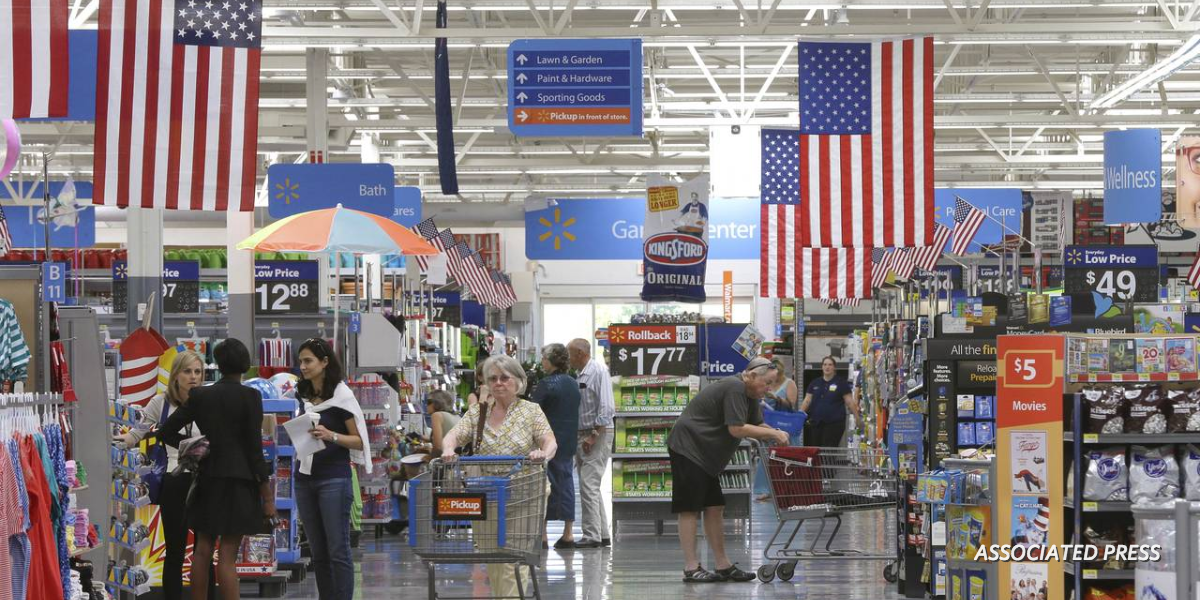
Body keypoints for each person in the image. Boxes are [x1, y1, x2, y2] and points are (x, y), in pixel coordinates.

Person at [157, 339, 273, 600]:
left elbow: (166, 431)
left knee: (203, 549)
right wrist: (267, 496)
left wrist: (196, 448)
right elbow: (255, 450)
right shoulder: (251, 396)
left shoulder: (201, 396)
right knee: (228, 555)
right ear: (244, 364)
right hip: (241, 481)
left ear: (218, 365)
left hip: (207, 478)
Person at [442, 355, 557, 598]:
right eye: (492, 378)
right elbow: (453, 435)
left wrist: (542, 453)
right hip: (487, 493)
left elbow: (549, 441)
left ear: (519, 381)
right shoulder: (478, 413)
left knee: (513, 557)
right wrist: (448, 449)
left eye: (505, 378)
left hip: (525, 493)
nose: (498, 383)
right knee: (492, 555)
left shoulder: (531, 411)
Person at [666, 357, 789, 583]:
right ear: (752, 376)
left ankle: (723, 565)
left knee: (715, 506)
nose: (769, 389)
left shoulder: (751, 394)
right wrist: (773, 434)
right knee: (689, 508)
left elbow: (756, 424)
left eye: (772, 384)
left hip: (706, 455)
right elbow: (737, 429)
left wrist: (775, 432)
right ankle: (691, 567)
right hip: (689, 447)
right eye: (767, 383)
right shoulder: (735, 387)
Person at [115, 350, 213, 600]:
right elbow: (136, 433)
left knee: (205, 549)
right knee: (175, 550)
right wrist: (114, 442)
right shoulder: (160, 403)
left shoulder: (209, 401)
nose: (193, 377)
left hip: (206, 479)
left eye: (198, 371)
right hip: (174, 478)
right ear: (176, 375)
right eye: (187, 371)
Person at [294, 337, 371, 600]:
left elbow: (359, 441)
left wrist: (331, 435)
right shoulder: (301, 394)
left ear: (324, 362)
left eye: (308, 361)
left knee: (338, 550)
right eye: (301, 361)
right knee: (318, 551)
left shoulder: (341, 397)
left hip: (334, 479)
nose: (303, 366)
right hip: (304, 477)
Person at [531, 343, 580, 549]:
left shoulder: (546, 384)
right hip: (568, 440)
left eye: (544, 358)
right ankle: (568, 533)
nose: (542, 362)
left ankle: (542, 535)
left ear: (551, 361)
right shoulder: (573, 383)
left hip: (547, 442)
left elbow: (533, 411)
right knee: (566, 483)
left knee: (544, 485)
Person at [567, 338, 614, 549]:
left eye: (569, 353)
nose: (568, 358)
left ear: (579, 353)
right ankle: (602, 534)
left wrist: (594, 435)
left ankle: (591, 536)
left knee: (588, 484)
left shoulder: (598, 372)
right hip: (583, 434)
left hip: (597, 434)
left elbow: (607, 407)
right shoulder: (580, 374)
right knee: (590, 485)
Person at [754, 358, 800, 501]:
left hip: (785, 425)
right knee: (766, 456)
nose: (775, 377)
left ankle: (791, 487)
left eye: (778, 374)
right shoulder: (766, 383)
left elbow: (791, 405)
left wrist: (775, 398)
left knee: (787, 457)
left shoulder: (789, 383)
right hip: (769, 424)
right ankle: (764, 489)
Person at [799, 356, 861, 448]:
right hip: (816, 422)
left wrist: (857, 418)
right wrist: (799, 416)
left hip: (834, 423)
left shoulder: (841, 383)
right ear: (822, 367)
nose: (827, 367)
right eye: (825, 364)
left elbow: (849, 402)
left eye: (830, 365)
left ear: (834, 367)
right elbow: (807, 401)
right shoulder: (815, 383)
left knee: (828, 449)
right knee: (816, 449)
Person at [422, 390, 461, 458]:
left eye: (428, 402)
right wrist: (425, 438)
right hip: (459, 459)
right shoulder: (457, 417)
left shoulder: (437, 415)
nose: (426, 405)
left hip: (447, 460)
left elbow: (438, 447)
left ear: (437, 403)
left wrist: (429, 458)